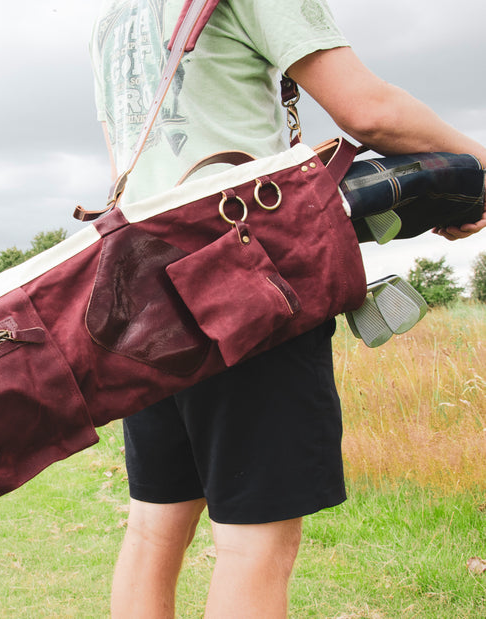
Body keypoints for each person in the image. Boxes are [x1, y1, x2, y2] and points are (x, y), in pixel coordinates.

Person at [90, 1, 486, 617]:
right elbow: (371, 112)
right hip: (245, 279)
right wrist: (478, 164)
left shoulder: (120, 16)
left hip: (145, 282)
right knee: (253, 545)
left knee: (152, 530)